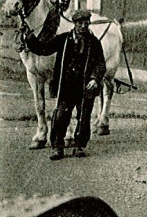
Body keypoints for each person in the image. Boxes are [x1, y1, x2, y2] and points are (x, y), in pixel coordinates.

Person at [22, 10, 106, 160]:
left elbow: (100, 64)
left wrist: (94, 79)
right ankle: (57, 147)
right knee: (60, 115)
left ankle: (80, 146)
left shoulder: (94, 43)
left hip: (85, 87)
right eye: (80, 24)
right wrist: (29, 38)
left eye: (85, 24)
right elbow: (44, 49)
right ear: (75, 24)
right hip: (66, 87)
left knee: (84, 117)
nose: (83, 27)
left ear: (88, 24)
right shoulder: (64, 39)